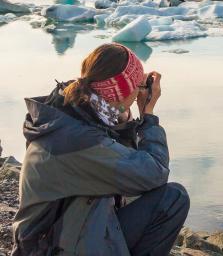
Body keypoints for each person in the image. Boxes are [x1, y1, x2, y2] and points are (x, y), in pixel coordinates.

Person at [11, 43, 189, 256]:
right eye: (136, 84)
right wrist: (148, 117)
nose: (139, 92)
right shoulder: (76, 139)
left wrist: (124, 118)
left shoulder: (75, 109)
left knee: (169, 199)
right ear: (119, 93)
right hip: (49, 248)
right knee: (173, 199)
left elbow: (127, 169)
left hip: (63, 233)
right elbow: (153, 174)